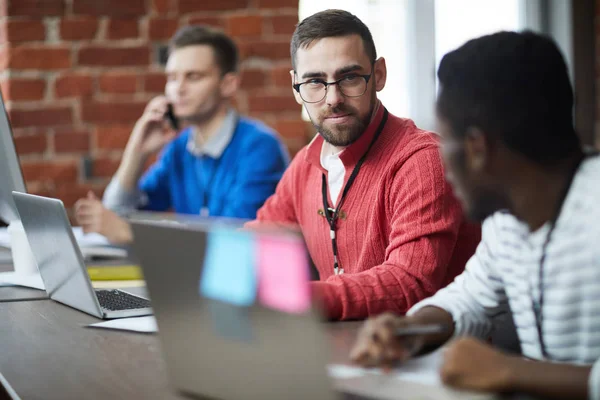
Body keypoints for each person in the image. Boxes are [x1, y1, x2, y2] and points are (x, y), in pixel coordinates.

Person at [350, 31, 600, 400]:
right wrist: (408, 330)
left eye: (446, 140)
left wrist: (511, 370)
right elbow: (469, 299)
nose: (443, 164)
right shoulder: (508, 219)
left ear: (477, 148)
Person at [247, 10, 480, 321]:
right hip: (348, 349)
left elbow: (409, 284)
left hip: (430, 357)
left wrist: (298, 296)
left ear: (379, 74)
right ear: (296, 87)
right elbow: (255, 241)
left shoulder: (423, 161)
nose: (333, 98)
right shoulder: (306, 164)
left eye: (350, 77)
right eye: (315, 81)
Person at [75, 25, 289, 244]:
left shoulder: (260, 147)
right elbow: (118, 217)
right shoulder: (179, 148)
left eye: (193, 77)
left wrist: (128, 233)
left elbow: (234, 243)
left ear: (228, 84)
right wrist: (136, 152)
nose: (178, 88)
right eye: (172, 77)